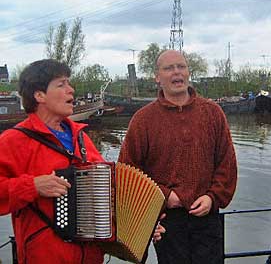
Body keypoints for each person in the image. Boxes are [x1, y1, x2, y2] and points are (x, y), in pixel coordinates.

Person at [0, 59, 165, 264]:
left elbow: (109, 194)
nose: (71, 90)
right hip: (45, 256)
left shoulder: (81, 138)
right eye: (62, 84)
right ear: (39, 95)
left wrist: (144, 224)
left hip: (91, 257)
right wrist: (32, 186)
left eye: (69, 83)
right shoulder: (15, 141)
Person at [118, 50, 237, 264]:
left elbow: (226, 164)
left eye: (181, 67)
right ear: (157, 77)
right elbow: (127, 172)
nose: (177, 73)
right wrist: (163, 196)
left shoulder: (213, 113)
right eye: (169, 68)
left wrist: (212, 197)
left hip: (207, 216)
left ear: (188, 72)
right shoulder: (143, 120)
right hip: (165, 220)